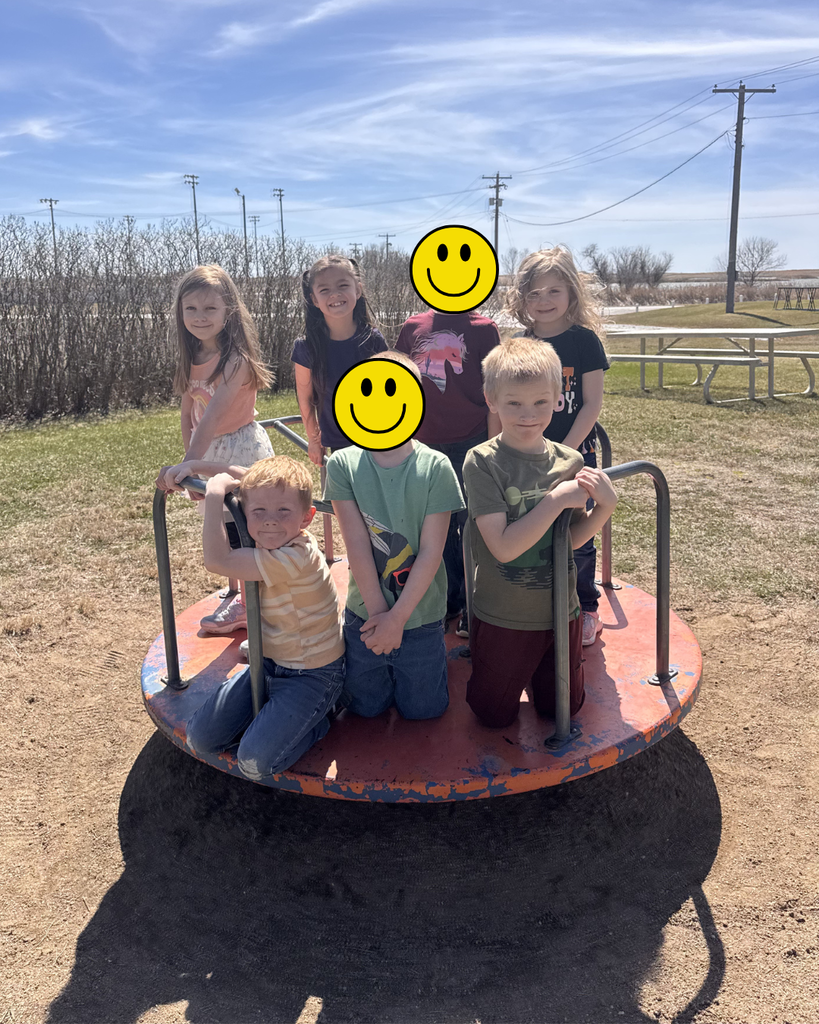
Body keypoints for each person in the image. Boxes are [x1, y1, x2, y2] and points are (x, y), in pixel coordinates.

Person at [462, 337, 617, 729]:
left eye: (540, 403)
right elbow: (502, 547)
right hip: (504, 613)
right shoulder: (482, 462)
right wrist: (553, 501)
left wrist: (606, 507)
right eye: (514, 403)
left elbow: (571, 539)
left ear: (558, 399)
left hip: (559, 609)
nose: (528, 415)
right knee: (492, 715)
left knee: (563, 708)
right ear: (491, 399)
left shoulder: (571, 460)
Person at [175, 455, 345, 781]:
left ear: (307, 517)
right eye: (258, 512)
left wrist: (214, 494)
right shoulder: (275, 538)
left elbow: (217, 559)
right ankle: (275, 717)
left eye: (283, 511)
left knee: (254, 763)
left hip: (313, 674)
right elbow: (249, 478)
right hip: (269, 662)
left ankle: (321, 718)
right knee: (200, 737)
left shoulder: (296, 555)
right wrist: (198, 469)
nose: (269, 521)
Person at [324, 351, 465, 720]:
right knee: (364, 710)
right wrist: (379, 619)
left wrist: (398, 619)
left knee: (424, 712)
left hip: (419, 619)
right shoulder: (342, 465)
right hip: (365, 617)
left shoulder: (437, 468)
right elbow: (355, 544)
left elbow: (432, 551)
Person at [158, 264, 274, 636]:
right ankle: (240, 594)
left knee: (251, 527)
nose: (200, 317)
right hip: (207, 450)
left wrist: (191, 463)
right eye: (190, 309)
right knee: (227, 526)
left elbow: (211, 419)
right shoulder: (189, 358)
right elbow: (189, 415)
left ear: (229, 311)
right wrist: (187, 465)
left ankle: (261, 603)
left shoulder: (235, 360)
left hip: (240, 447)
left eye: (210, 308)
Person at [504, 246, 610, 647]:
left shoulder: (584, 342)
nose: (543, 301)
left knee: (575, 533)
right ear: (522, 298)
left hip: (573, 454)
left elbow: (592, 403)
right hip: (527, 455)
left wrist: (566, 452)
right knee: (532, 528)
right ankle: (539, 603)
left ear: (571, 293)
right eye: (533, 293)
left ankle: (585, 607)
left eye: (553, 291)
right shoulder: (520, 343)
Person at [394, 305, 500, 636]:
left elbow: (494, 389)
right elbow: (398, 380)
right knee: (435, 527)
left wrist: (494, 446)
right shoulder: (413, 326)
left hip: (471, 440)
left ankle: (475, 602)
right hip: (423, 443)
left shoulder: (485, 329)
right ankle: (447, 597)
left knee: (473, 525)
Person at [292, 255, 387, 466]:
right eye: (324, 289)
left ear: (358, 290)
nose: (335, 294)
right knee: (343, 500)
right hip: (338, 444)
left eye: (343, 285)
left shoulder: (374, 340)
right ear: (314, 300)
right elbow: (305, 400)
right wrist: (314, 440)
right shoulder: (306, 347)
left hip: (379, 438)